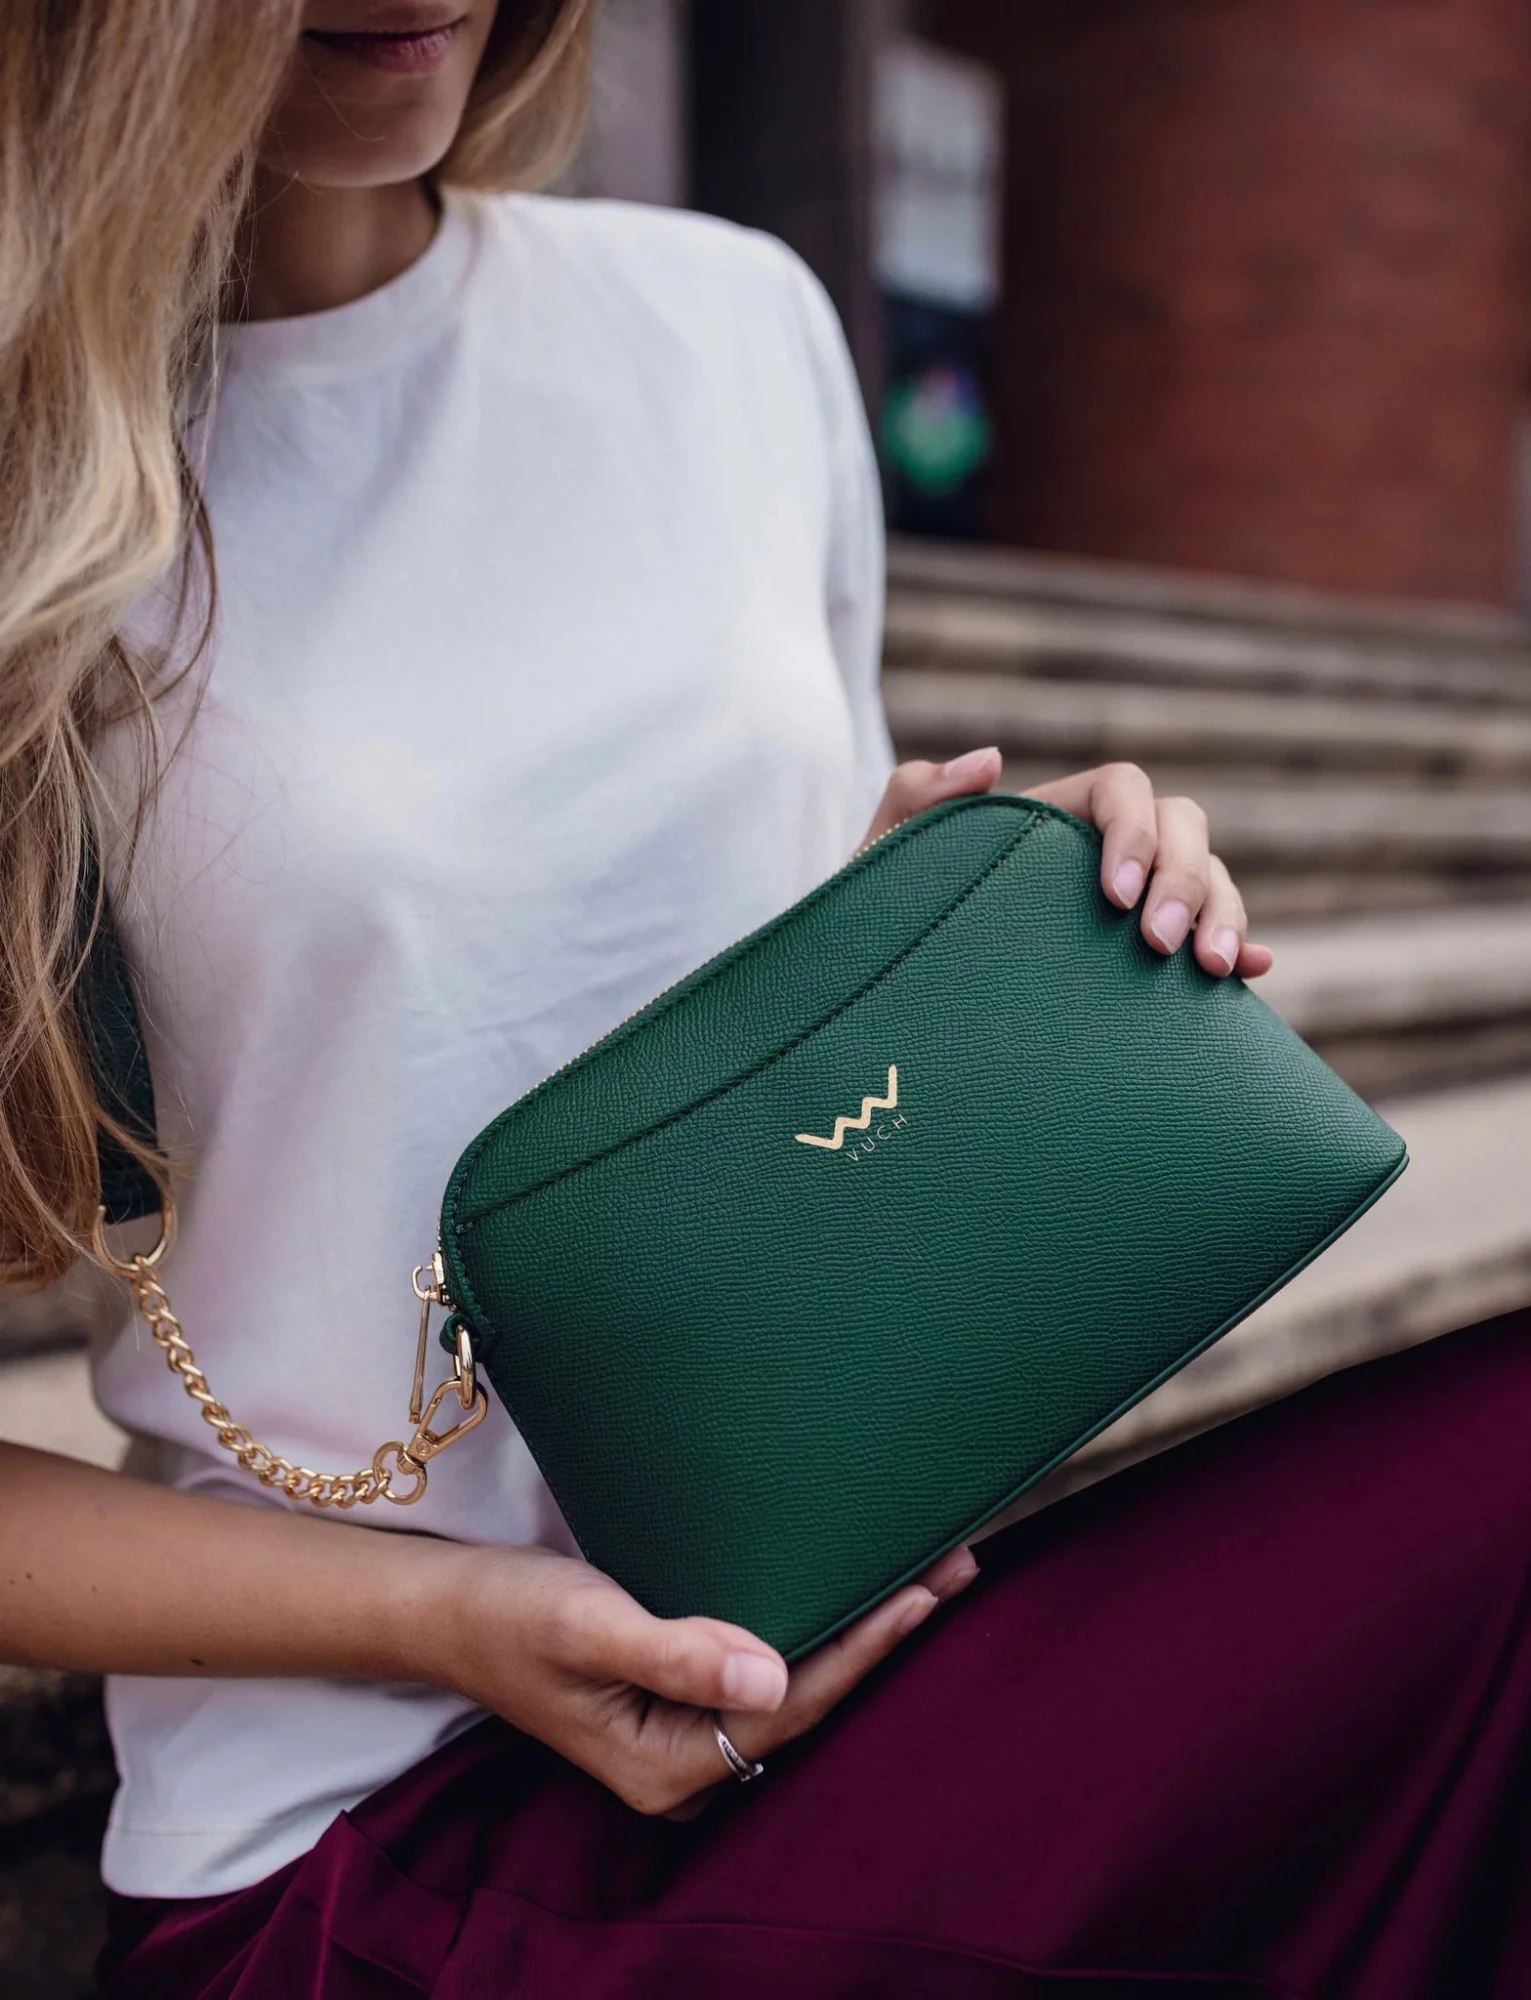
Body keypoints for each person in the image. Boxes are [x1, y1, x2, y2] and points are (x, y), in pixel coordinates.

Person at [2, 4, 1528, 1994]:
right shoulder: (43, 501)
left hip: (833, 1630)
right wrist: (457, 1622)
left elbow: (734, 1016)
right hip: (378, 1809)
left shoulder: (726, 322)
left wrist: (969, 920)